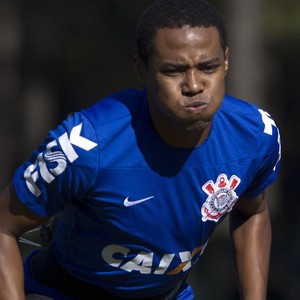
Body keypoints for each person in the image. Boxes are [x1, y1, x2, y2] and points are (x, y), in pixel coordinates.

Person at [0, 0, 281, 299]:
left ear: (226, 61)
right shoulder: (85, 146)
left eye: (208, 67)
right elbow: (4, 228)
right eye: (173, 71)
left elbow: (253, 212)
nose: (194, 85)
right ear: (141, 69)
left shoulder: (255, 135)